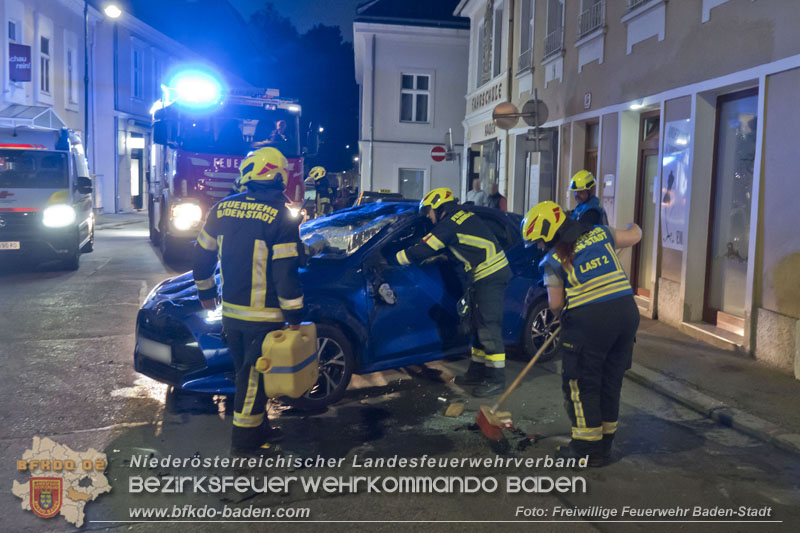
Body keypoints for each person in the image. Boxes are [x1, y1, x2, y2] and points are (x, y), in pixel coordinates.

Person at [192, 146, 305, 456]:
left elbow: (201, 257)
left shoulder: (222, 209)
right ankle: (245, 442)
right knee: (252, 378)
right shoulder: (281, 216)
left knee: (248, 372)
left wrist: (205, 293)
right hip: (264, 316)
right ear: (279, 176)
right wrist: (295, 314)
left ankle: (260, 427)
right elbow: (285, 273)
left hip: (231, 314)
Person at [521, 201, 641, 467]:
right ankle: (604, 443)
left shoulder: (553, 260)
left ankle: (587, 449)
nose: (539, 246)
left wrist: (563, 316)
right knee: (610, 381)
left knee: (582, 384)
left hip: (590, 322)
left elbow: (555, 304)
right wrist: (635, 226)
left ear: (549, 232)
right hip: (626, 315)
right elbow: (634, 235)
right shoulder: (601, 233)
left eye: (539, 241)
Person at [395, 187, 511, 397]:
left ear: (440, 208)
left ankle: (496, 380)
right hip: (484, 275)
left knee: (488, 328)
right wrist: (446, 256)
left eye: (429, 211)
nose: (428, 217)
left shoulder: (448, 225)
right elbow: (466, 244)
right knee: (478, 326)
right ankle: (477, 372)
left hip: (489, 276)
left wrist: (395, 259)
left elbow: (423, 249)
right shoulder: (462, 215)